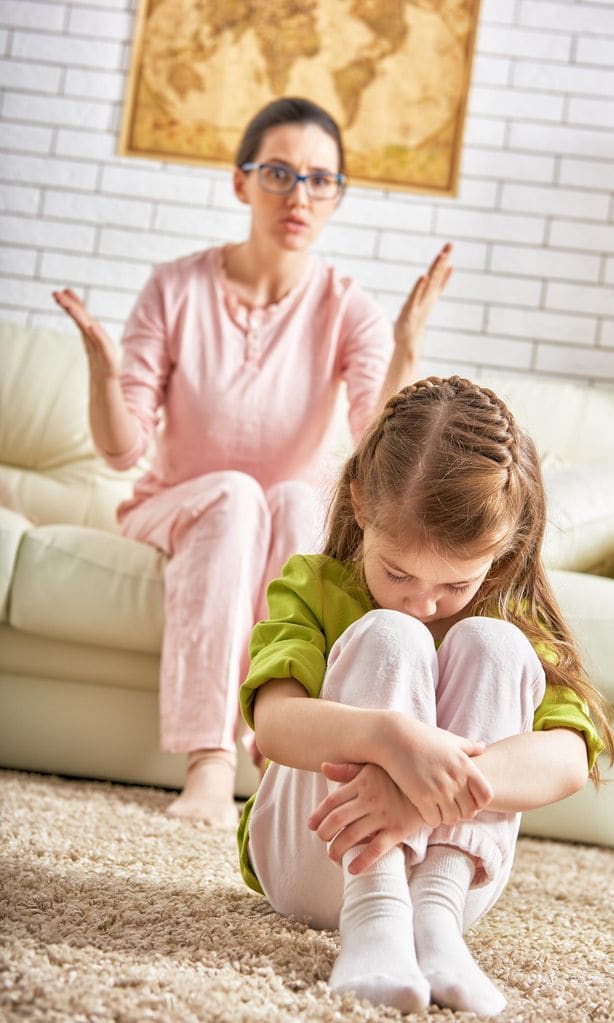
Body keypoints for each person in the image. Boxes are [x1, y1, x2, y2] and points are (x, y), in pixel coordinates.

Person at [51, 96, 452, 826]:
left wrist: (407, 352)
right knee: (237, 494)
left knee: (301, 502)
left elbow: (377, 445)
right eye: (278, 172)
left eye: (319, 179)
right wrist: (105, 376)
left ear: (336, 196)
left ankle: (280, 753)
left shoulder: (346, 304)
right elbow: (122, 449)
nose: (298, 195)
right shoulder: (175, 286)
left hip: (277, 513)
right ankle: (209, 760)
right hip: (174, 504)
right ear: (241, 182)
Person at [237, 375, 613, 1016]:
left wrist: (425, 802)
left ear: (502, 548)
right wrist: (392, 739)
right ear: (359, 504)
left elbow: (572, 760)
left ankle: (432, 928)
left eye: (454, 583)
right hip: (312, 860)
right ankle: (374, 917)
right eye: (398, 571)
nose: (422, 599)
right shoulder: (317, 585)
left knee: (496, 645)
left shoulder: (511, 613)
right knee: (391, 634)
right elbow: (272, 725)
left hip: (452, 880)